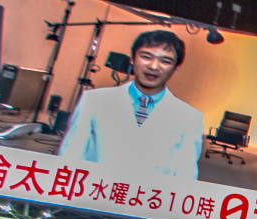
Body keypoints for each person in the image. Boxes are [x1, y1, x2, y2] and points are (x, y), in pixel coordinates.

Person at [58, 29, 202, 179]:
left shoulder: (190, 118)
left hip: (148, 193)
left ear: (176, 68)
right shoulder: (94, 100)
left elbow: (185, 175)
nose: (154, 66)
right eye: (146, 57)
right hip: (95, 189)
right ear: (132, 59)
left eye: (165, 61)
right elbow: (71, 155)